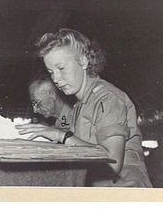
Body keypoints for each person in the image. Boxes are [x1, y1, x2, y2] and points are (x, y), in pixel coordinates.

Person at [16, 28, 152, 187]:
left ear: (83, 62)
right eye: (51, 72)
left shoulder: (107, 99)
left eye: (61, 68)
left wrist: (62, 136)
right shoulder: (78, 106)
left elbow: (112, 162)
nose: (56, 79)